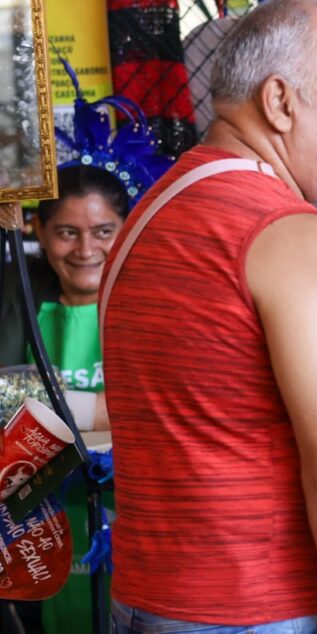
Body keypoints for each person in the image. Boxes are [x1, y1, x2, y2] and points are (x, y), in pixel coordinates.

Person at [101, 0, 317, 633]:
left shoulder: (148, 215)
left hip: (144, 602)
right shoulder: (293, 236)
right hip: (258, 611)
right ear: (279, 102)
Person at [0, 165, 126, 634]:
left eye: (103, 231)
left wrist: (45, 403)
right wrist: (104, 408)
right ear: (37, 230)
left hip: (126, 514)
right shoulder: (16, 296)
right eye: (67, 233)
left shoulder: (152, 294)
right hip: (33, 525)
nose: (86, 250)